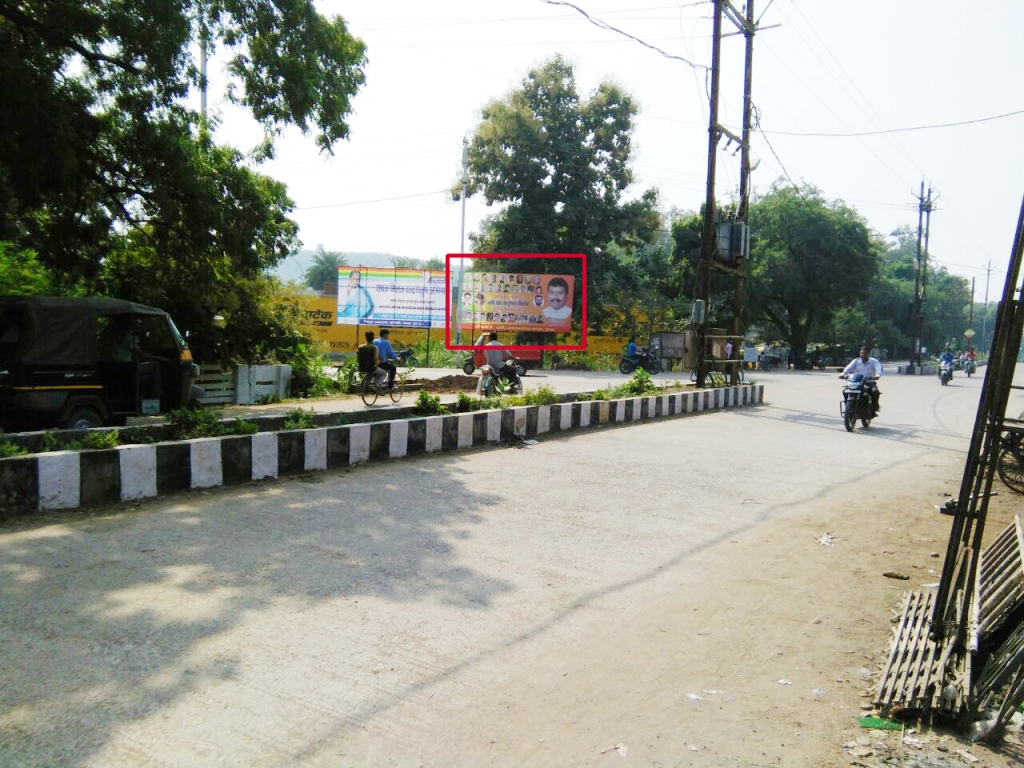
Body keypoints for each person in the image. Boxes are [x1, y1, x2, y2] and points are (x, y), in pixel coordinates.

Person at [842, 345, 883, 415]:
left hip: (869, 382)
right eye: (862, 353)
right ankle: (848, 408)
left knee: (875, 392)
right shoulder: (856, 361)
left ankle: (874, 407)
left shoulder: (874, 361)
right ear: (860, 353)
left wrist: (877, 375)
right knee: (845, 391)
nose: (863, 355)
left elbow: (878, 369)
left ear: (869, 354)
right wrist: (843, 374)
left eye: (865, 353)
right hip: (856, 382)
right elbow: (848, 368)